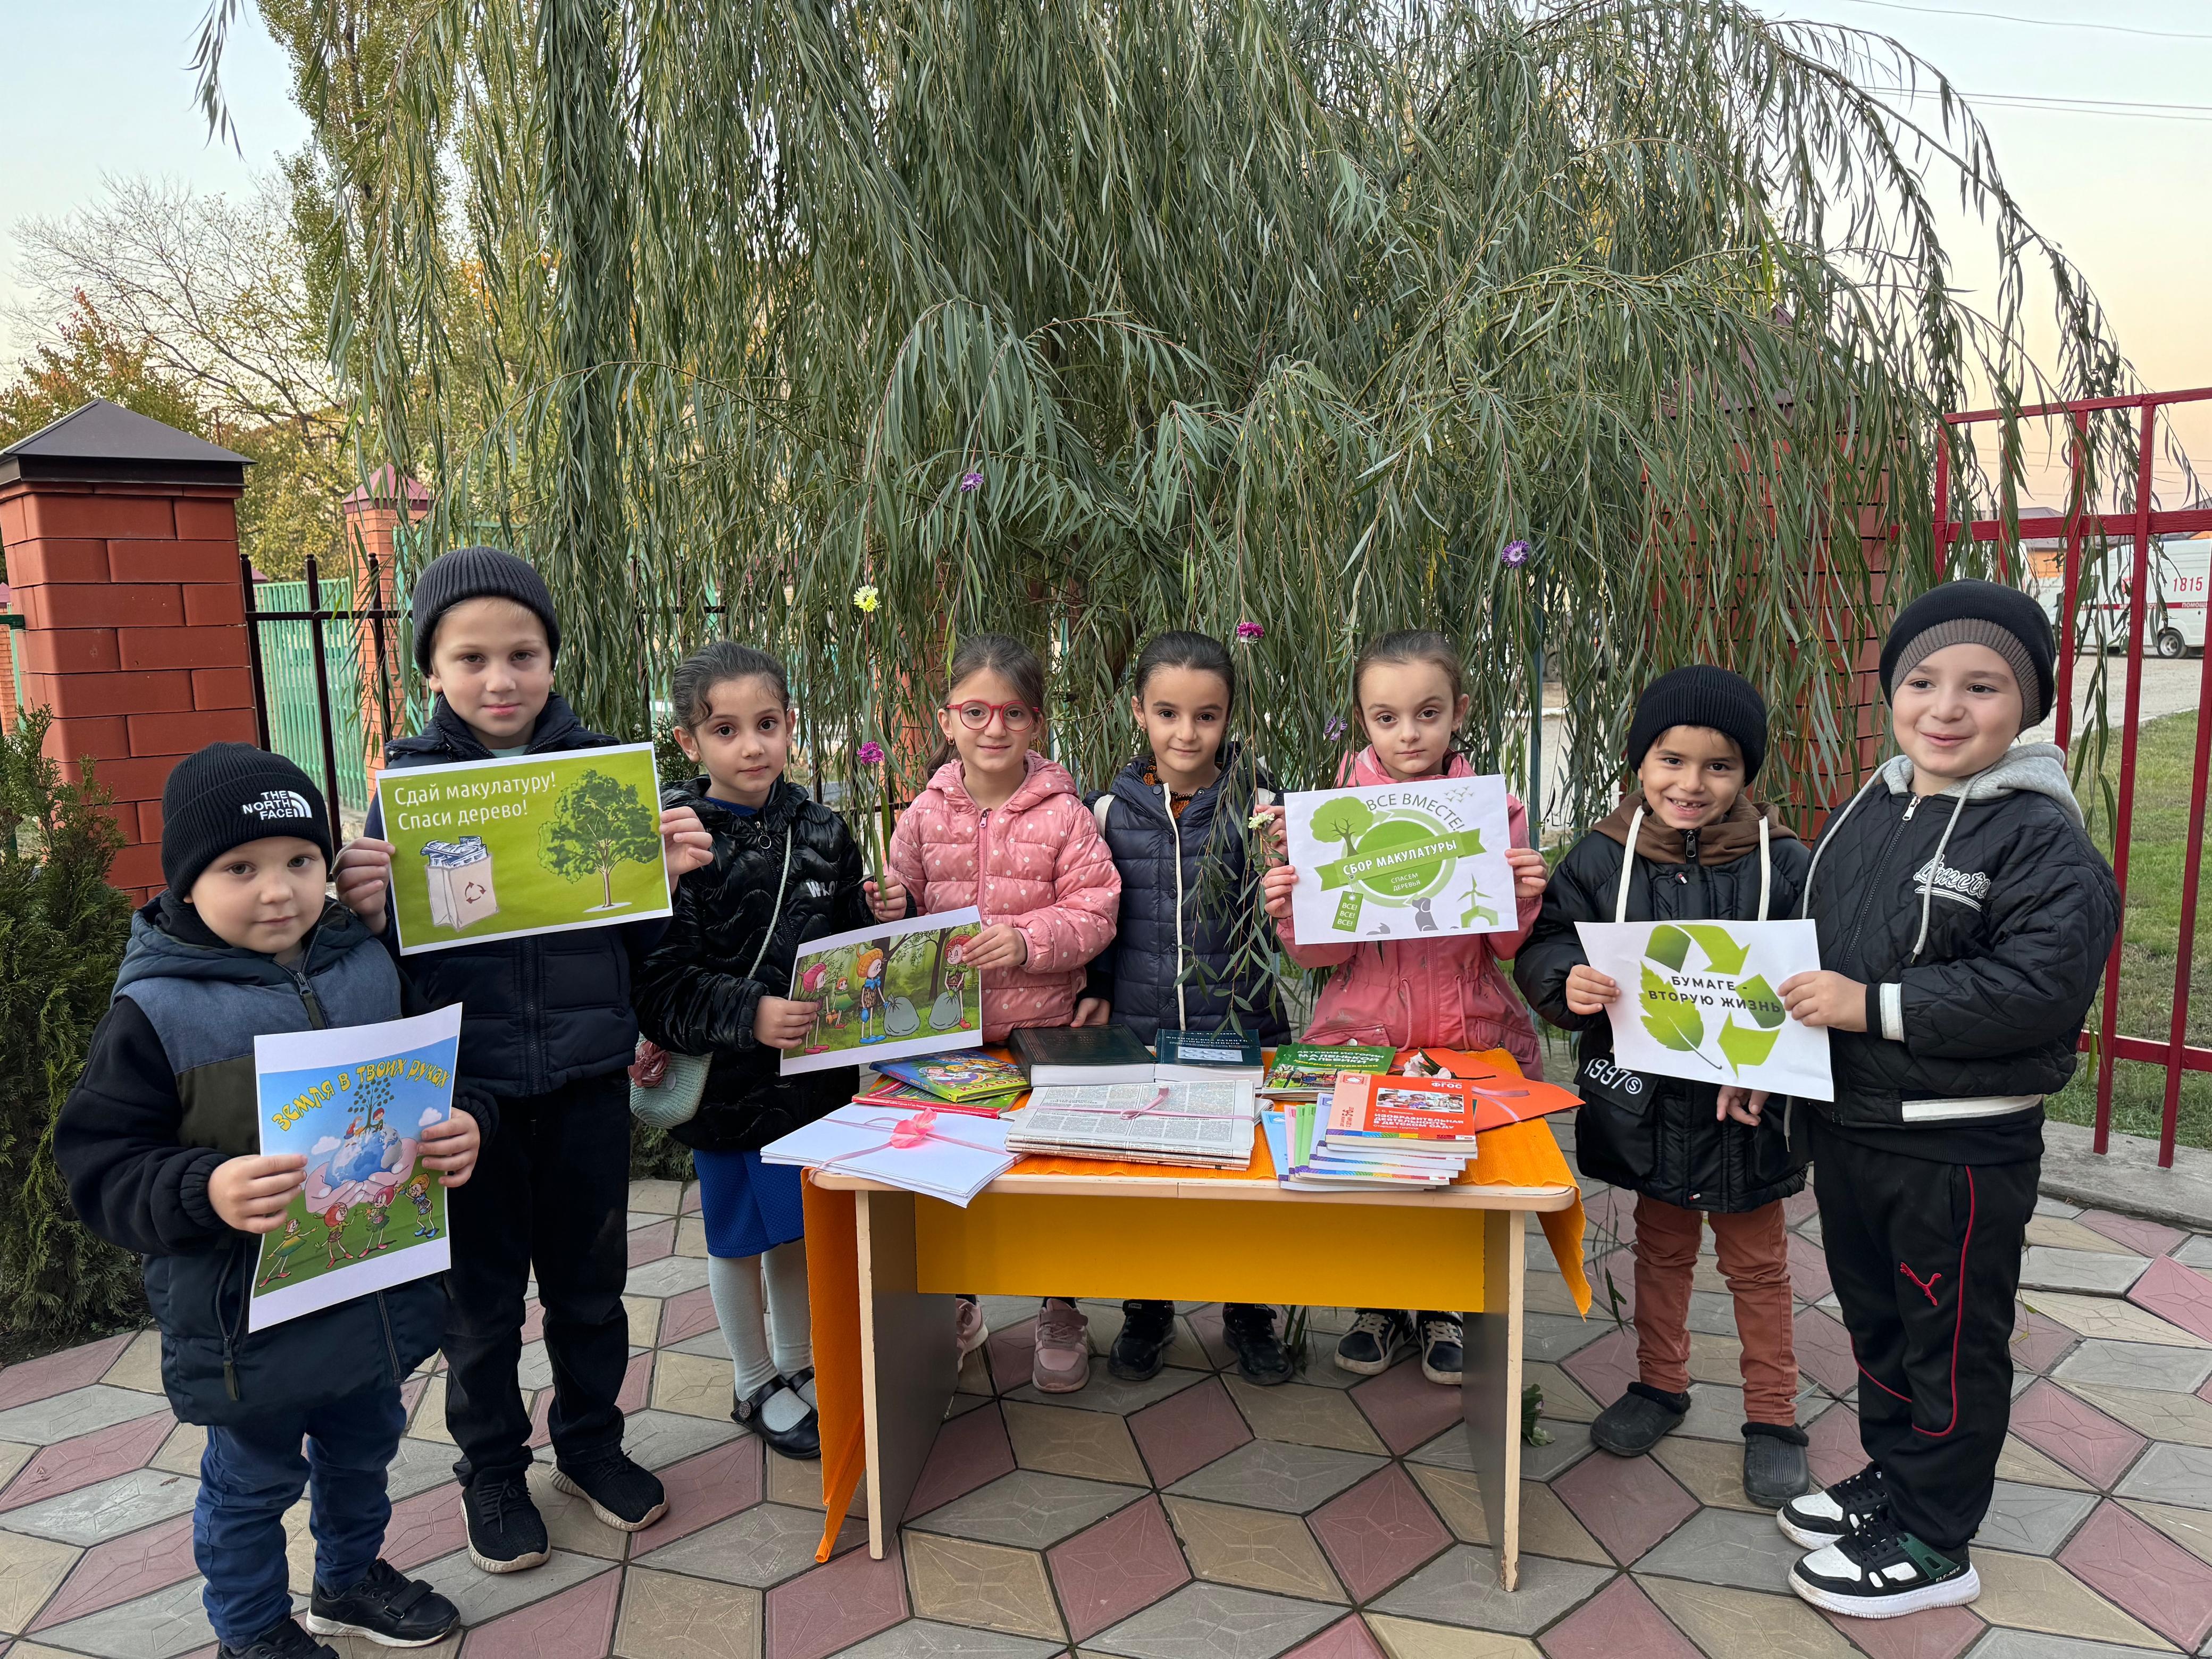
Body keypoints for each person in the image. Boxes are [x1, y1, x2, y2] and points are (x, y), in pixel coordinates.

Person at [57, 746, 490, 1659]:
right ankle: (252, 1632)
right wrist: (205, 1187)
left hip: (370, 1291)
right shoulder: (157, 1012)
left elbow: (443, 1077)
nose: (278, 891)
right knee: (252, 1484)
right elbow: (100, 1167)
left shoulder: (367, 964)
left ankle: (348, 1582)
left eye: (300, 860)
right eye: (240, 869)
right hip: (242, 1321)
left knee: (365, 1450)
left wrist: (464, 1124)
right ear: (187, 882)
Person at [330, 546, 713, 1571]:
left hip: (586, 1084)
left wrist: (665, 881)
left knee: (591, 1293)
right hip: (467, 1106)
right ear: (431, 670)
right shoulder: (412, 790)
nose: (500, 679)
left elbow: (639, 948)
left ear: (552, 658)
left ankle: (589, 1446)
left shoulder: (600, 775)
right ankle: (493, 1471)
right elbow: (390, 973)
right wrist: (368, 916)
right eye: (472, 658)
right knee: (481, 1311)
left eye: (523, 654)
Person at [1770, 580, 2118, 1620]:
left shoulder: (2040, 839)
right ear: (1892, 692)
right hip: (1855, 1129)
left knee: (1950, 1343)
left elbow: (2036, 990)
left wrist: (1870, 1007)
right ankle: (1896, 1476)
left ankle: (1935, 1539)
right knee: (1878, 1325)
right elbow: (1810, 953)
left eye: (1983, 685)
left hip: (1957, 1149)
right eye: (1922, 681)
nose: (1946, 707)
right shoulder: (1872, 808)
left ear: (2029, 705)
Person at [1513, 666, 1814, 1507]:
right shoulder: (1601, 858)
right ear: (1639, 762)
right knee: (1661, 1250)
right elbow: (1547, 941)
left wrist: (1773, 1074)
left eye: (1719, 766)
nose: (1691, 783)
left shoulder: (1785, 862)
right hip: (1650, 1108)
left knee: (1758, 1266)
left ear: (1747, 772)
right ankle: (1660, 1384)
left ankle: (1774, 1416)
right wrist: (1565, 979)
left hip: (1746, 1112)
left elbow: (1817, 973)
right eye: (1671, 760)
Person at [632, 643, 905, 1457]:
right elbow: (660, 986)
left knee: (797, 1232)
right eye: (725, 730)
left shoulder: (824, 830)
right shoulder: (674, 843)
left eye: (766, 724)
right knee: (737, 1240)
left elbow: (850, 949)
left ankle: (799, 1364)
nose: (751, 746)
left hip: (814, 1087)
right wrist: (751, 1014)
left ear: (791, 724)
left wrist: (882, 916)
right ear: (689, 741)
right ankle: (753, 1383)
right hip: (730, 1093)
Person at [1261, 629, 1550, 1386]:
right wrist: (1292, 907)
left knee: (1456, 1178)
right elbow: (1318, 957)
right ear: (1363, 720)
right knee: (1375, 1175)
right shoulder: (1330, 819)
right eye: (1386, 718)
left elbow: (1505, 945)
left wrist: (1524, 895)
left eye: (1428, 713)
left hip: (1467, 1030)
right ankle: (1382, 1303)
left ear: (1460, 711)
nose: (1409, 734)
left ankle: (1448, 1306)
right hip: (1365, 1033)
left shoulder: (1494, 812)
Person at [887, 632, 1121, 1391]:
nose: (995, 728)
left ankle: (1061, 1304)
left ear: (1036, 723)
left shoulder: (1065, 816)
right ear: (948, 719)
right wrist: (889, 906)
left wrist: (1025, 941)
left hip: (1041, 1035)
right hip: (945, 1039)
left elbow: (1098, 910)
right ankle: (960, 1304)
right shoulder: (924, 814)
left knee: (1049, 1182)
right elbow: (904, 902)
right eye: (977, 711)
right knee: (949, 1179)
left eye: (1014, 713)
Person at [1074, 630, 1295, 1386]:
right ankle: (1147, 1307)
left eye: (1207, 716)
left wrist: (1290, 867)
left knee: (1245, 1181)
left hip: (1239, 1025)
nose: (1187, 734)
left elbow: (1289, 919)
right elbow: (1099, 915)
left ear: (1229, 716)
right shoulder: (1107, 810)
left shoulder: (1261, 806)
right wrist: (1097, 989)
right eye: (1168, 713)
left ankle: (1249, 1310)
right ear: (1139, 711)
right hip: (1139, 1031)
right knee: (1145, 1182)